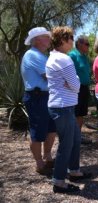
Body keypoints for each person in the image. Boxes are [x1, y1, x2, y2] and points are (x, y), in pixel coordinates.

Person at [46, 26, 91, 193]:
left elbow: (72, 84)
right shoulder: (64, 60)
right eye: (70, 38)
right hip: (63, 107)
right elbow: (77, 86)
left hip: (63, 107)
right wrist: (75, 81)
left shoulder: (54, 57)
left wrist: (72, 83)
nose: (73, 41)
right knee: (66, 144)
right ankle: (58, 181)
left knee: (76, 139)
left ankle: (74, 171)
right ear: (63, 40)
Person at [21, 27, 56, 175]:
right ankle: (39, 163)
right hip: (37, 97)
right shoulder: (33, 55)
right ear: (36, 40)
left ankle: (47, 157)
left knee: (51, 129)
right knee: (37, 131)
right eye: (45, 37)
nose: (49, 39)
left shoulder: (41, 55)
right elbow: (49, 75)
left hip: (46, 96)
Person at [68, 35, 91, 143]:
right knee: (75, 113)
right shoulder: (72, 55)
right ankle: (72, 137)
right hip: (76, 89)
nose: (88, 46)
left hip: (84, 88)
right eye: (87, 44)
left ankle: (78, 136)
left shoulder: (84, 56)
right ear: (79, 44)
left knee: (81, 114)